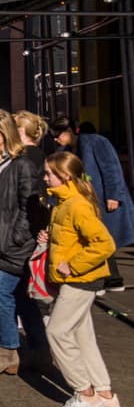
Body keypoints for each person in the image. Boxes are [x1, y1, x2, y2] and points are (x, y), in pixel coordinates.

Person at [41, 151, 121, 407]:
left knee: (57, 332)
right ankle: (106, 395)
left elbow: (105, 244)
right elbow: (72, 237)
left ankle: (85, 394)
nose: (45, 178)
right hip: (77, 279)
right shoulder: (65, 203)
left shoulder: (75, 205)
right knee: (81, 336)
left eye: (49, 174)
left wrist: (72, 265)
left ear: (64, 176)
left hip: (80, 279)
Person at [0, 109, 48, 375]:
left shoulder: (21, 164)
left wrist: (17, 239)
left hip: (14, 245)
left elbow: (31, 207)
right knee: (21, 299)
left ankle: (8, 350)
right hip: (3, 242)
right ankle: (39, 351)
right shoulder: (3, 162)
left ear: (5, 133)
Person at [49, 116, 134, 292]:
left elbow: (111, 168)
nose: (56, 139)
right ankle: (110, 279)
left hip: (101, 198)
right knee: (93, 238)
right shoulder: (65, 150)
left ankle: (111, 279)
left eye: (58, 135)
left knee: (101, 238)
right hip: (84, 202)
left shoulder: (95, 142)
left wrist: (113, 195)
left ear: (69, 131)